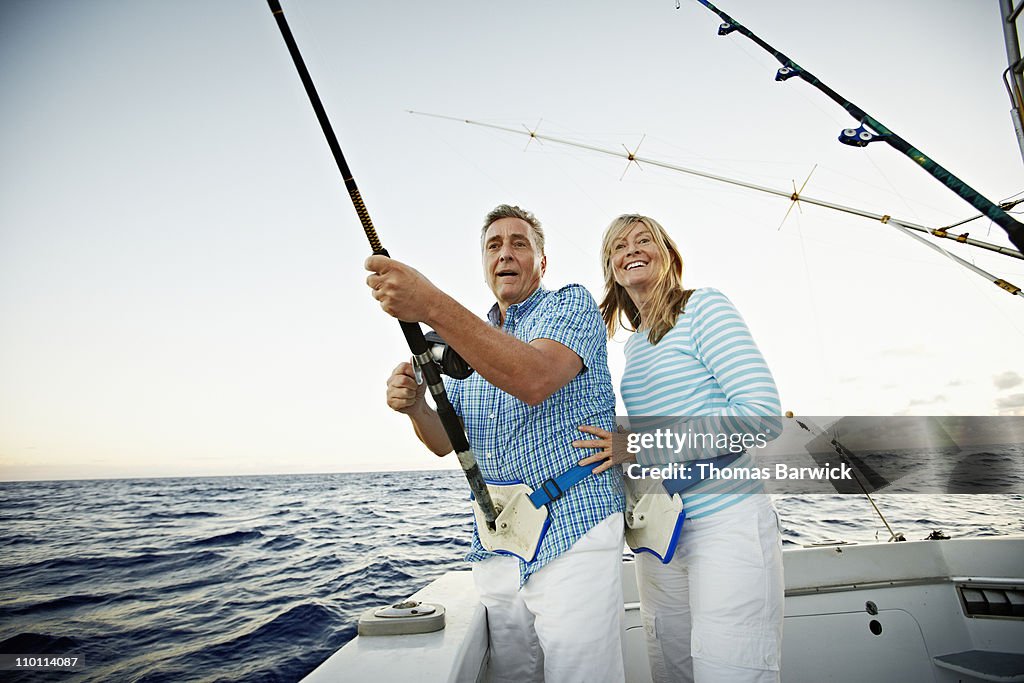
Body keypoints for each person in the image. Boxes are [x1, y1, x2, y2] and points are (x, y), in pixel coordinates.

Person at [366, 204, 626, 683]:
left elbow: (534, 377)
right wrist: (416, 409)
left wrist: (429, 304)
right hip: (497, 543)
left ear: (541, 263)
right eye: (494, 245)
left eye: (519, 243)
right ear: (484, 264)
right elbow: (445, 441)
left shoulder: (570, 304)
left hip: (575, 530)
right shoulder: (467, 341)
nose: (505, 253)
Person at [573, 214, 784, 683]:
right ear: (611, 268)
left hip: (726, 519)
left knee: (733, 672)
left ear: (667, 252)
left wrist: (640, 444)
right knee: (670, 669)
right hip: (660, 529)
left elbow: (761, 415)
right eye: (619, 246)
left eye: (644, 239)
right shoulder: (633, 348)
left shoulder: (704, 308)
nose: (632, 249)